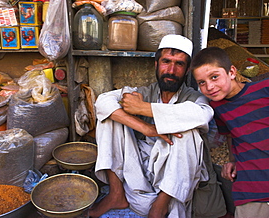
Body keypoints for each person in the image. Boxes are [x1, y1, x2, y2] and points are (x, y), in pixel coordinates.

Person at [90, 35, 226, 218]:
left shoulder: (193, 97)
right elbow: (102, 102)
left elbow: (202, 114)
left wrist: (144, 109)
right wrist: (146, 128)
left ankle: (160, 206)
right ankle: (116, 193)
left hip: (175, 180)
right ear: (156, 65)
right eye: (166, 62)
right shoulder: (143, 93)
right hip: (140, 172)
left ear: (186, 71)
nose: (171, 70)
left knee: (188, 132)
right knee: (110, 116)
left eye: (179, 64)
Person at [190, 46, 269, 218]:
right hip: (249, 196)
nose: (210, 86)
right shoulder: (217, 108)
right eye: (202, 83)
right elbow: (231, 135)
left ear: (232, 72)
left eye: (214, 77)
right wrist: (233, 160)